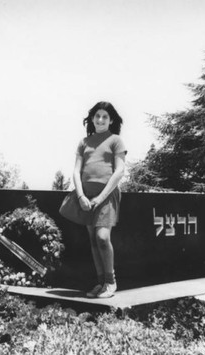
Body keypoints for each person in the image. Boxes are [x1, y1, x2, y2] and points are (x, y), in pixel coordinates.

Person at [71, 101, 127, 298]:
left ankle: (111, 283)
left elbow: (119, 171)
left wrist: (99, 198)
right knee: (94, 241)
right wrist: (81, 196)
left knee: (103, 238)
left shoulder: (115, 140)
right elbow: (76, 172)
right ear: (92, 118)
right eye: (97, 116)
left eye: (105, 116)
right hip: (85, 198)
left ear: (111, 120)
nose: (101, 120)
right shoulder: (83, 143)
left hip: (106, 197)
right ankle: (101, 282)